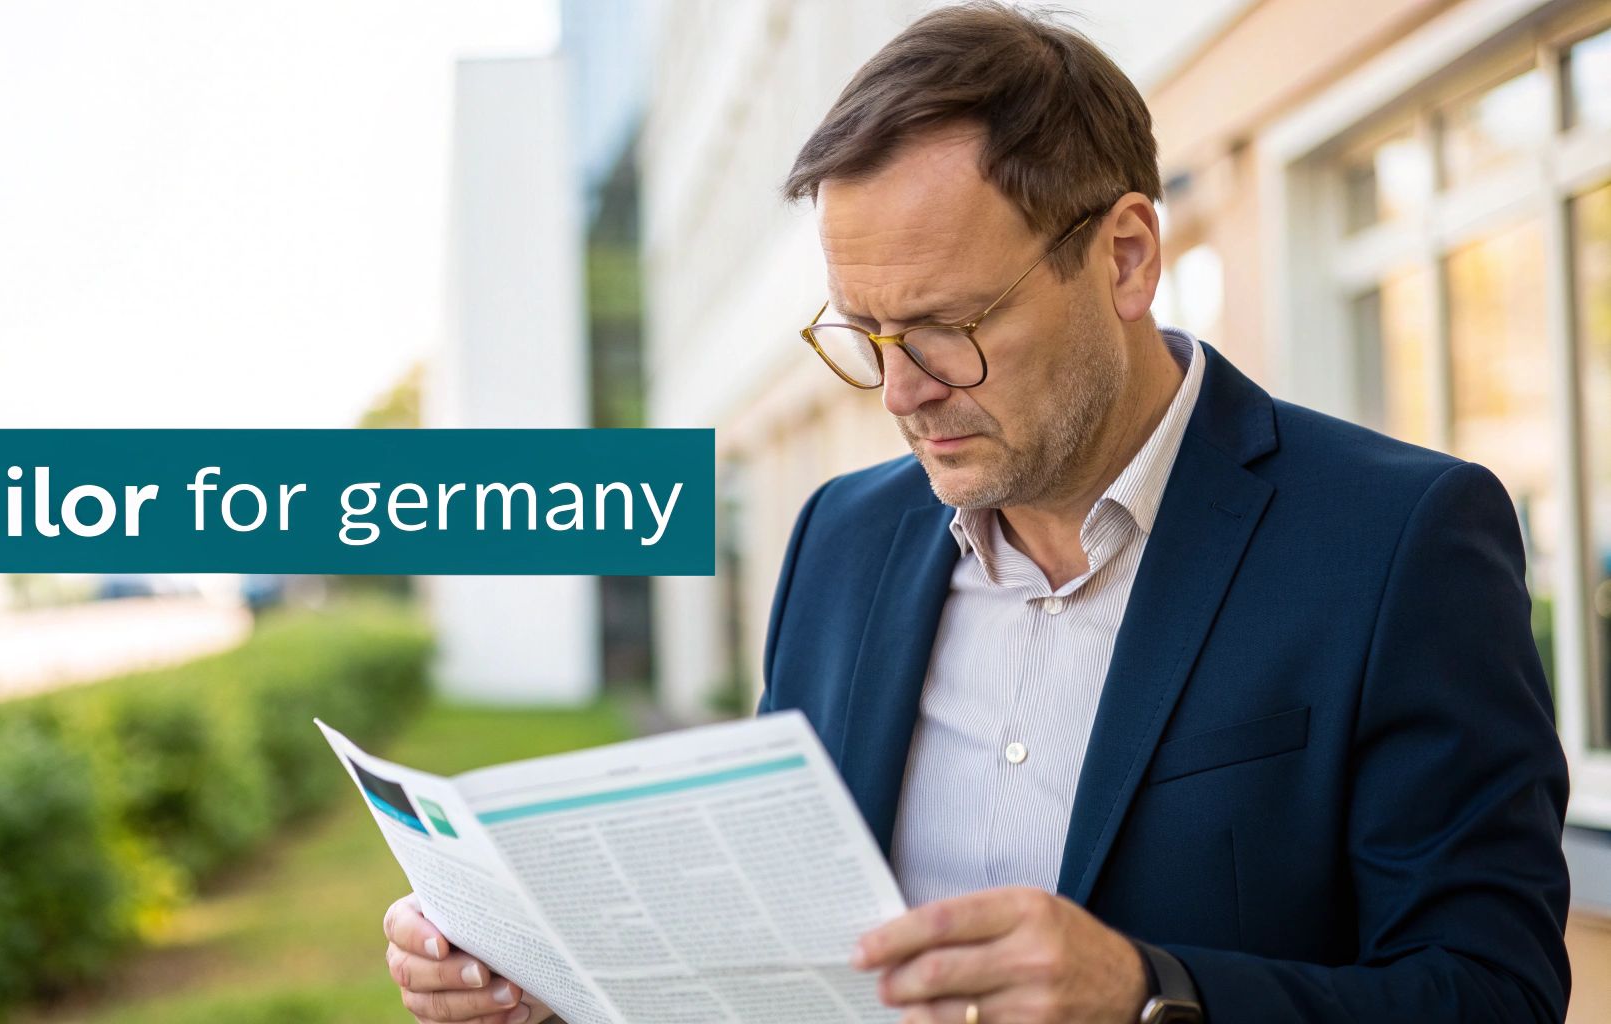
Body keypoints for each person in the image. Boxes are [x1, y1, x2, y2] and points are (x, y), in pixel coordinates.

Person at [381, 3, 1572, 1021]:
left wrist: (1148, 993)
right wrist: (556, 988)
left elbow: (1491, 989)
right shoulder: (837, 541)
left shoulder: (1398, 541)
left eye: (946, 326)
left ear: (1123, 256)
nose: (899, 391)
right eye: (866, 332)